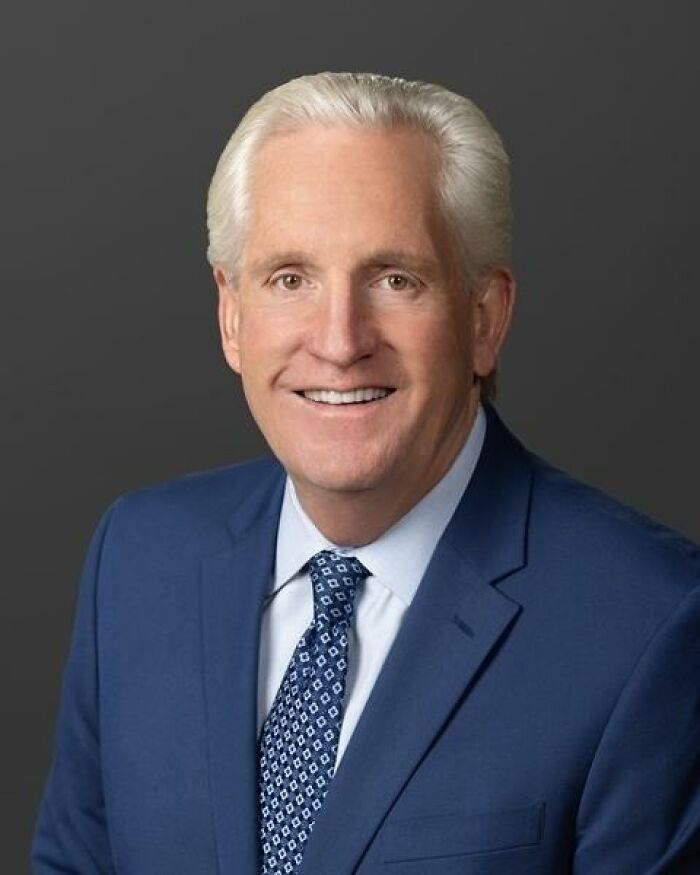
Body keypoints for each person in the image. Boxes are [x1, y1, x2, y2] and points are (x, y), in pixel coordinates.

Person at [32, 72, 699, 874]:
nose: (341, 339)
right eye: (290, 278)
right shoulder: (137, 561)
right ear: (231, 315)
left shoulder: (651, 623)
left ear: (484, 319)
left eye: (395, 279)